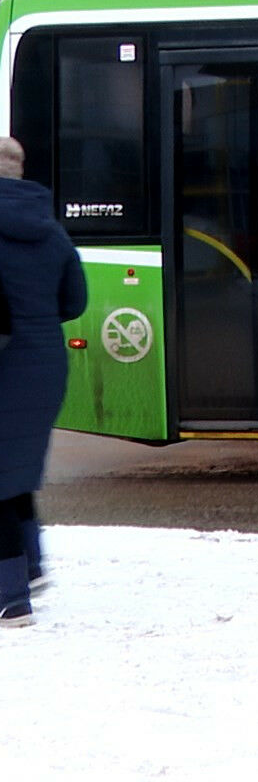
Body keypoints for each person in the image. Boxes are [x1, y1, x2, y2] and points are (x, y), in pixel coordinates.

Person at [0, 137, 88, 626]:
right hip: (45, 364)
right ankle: (31, 567)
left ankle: (12, 599)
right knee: (16, 469)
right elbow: (73, 302)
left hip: (5, 363)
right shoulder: (51, 232)